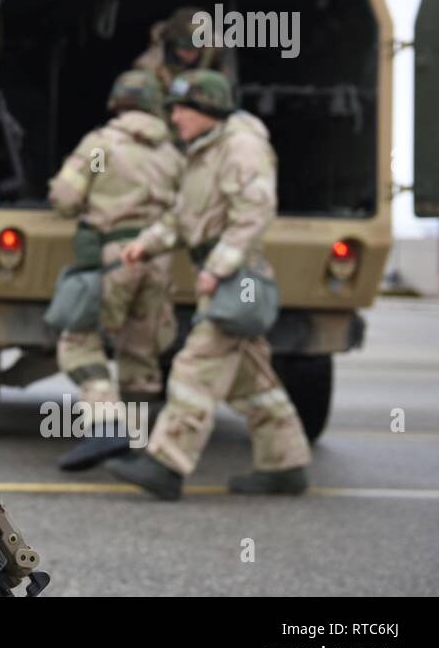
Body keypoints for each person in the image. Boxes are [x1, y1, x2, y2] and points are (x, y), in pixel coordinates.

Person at [106, 70, 310, 500]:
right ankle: (285, 465)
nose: (174, 117)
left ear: (207, 111)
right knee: (254, 381)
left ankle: (166, 464)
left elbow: (256, 212)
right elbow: (184, 218)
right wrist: (146, 245)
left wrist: (217, 268)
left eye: (182, 108)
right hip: (227, 276)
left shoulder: (241, 147)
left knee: (193, 368)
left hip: (237, 278)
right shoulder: (203, 152)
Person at [47, 70, 183, 471]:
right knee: (141, 351)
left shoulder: (102, 143)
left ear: (118, 104)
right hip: (158, 259)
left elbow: (65, 197)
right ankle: (136, 443)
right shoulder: (173, 153)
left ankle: (105, 423)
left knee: (78, 340)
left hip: (114, 258)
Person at [133, 6, 237, 94]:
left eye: (196, 49)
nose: (191, 55)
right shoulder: (151, 64)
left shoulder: (213, 51)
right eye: (185, 49)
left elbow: (226, 88)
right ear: (173, 44)